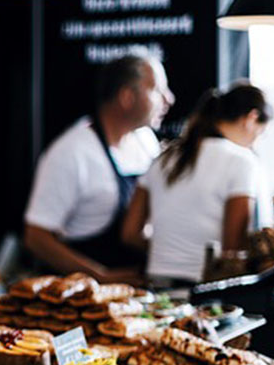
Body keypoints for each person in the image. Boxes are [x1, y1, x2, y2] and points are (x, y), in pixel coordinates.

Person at [24, 54, 175, 283]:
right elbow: (36, 238)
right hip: (82, 298)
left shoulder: (145, 141)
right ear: (127, 97)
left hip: (139, 292)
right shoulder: (71, 153)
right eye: (156, 90)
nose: (169, 99)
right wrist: (100, 277)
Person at [121, 83, 274, 285]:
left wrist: (170, 252)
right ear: (251, 119)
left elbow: (130, 233)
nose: (256, 141)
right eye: (261, 133)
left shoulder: (163, 158)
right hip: (206, 289)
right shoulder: (242, 161)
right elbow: (233, 249)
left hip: (157, 284)